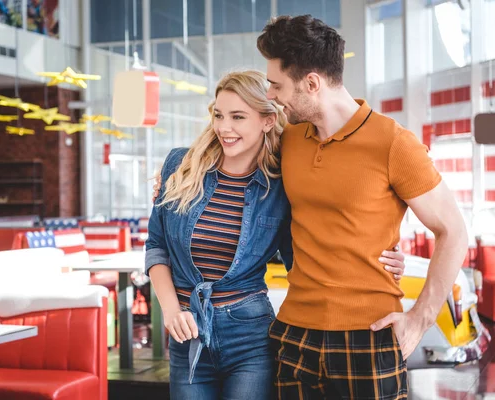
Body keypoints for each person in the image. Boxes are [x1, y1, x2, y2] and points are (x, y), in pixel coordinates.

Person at [145, 70, 406, 400]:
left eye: (238, 117)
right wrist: (170, 311)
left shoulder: (281, 183)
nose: (224, 128)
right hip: (187, 332)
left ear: (268, 121)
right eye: (219, 115)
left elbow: (314, 241)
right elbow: (156, 246)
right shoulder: (179, 166)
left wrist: (377, 255)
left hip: (250, 335)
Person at [256, 15, 468, 398]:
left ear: (312, 83)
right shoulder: (288, 138)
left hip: (368, 339)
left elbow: (453, 230)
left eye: (276, 84)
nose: (270, 94)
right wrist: (173, 174)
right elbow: (228, 152)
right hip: (294, 335)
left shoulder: (393, 143)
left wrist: (420, 318)